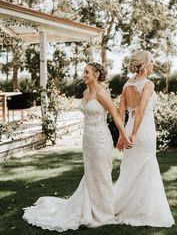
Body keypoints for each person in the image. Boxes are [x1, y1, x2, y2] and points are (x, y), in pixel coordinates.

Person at [22, 62, 133, 232]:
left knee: (101, 174)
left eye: (87, 72)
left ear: (96, 74)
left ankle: (103, 212)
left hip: (101, 139)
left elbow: (116, 116)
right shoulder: (85, 92)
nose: (84, 74)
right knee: (90, 175)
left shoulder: (102, 94)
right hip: (88, 139)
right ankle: (90, 208)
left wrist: (124, 136)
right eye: (83, 71)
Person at [114, 50, 175, 227]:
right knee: (146, 165)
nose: (153, 65)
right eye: (152, 61)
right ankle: (145, 210)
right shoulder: (148, 84)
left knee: (131, 167)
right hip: (143, 129)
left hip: (129, 128)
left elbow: (121, 112)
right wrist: (132, 134)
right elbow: (141, 111)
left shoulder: (126, 85)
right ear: (145, 64)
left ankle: (127, 206)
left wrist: (121, 135)